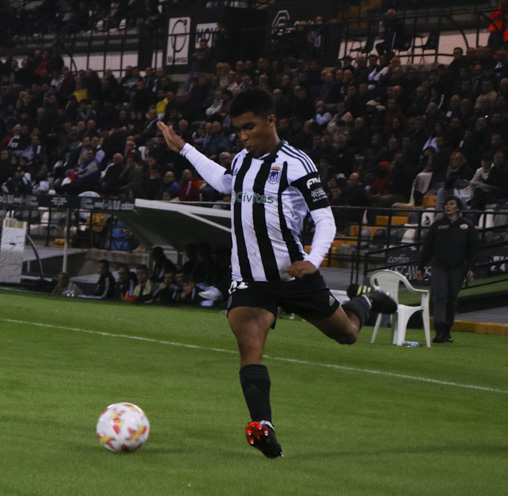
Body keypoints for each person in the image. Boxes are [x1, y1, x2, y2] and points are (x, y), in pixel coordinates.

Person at [157, 88, 398, 459]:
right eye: (239, 130)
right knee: (249, 345)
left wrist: (314, 261)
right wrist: (184, 149)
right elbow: (224, 182)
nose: (244, 136)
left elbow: (325, 221)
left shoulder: (298, 165)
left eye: (249, 127)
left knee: (347, 334)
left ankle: (363, 301)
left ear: (271, 121)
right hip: (250, 280)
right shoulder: (242, 160)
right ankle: (263, 426)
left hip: (294, 276)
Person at [416, 197, 478, 344]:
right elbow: (428, 247)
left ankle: (447, 330)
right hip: (439, 266)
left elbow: (474, 249)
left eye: (451, 204)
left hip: (458, 267)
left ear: (458, 207)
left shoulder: (467, 226)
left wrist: (471, 268)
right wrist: (421, 266)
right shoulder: (437, 225)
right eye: (446, 204)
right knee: (440, 296)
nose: (448, 207)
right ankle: (439, 329)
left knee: (451, 299)